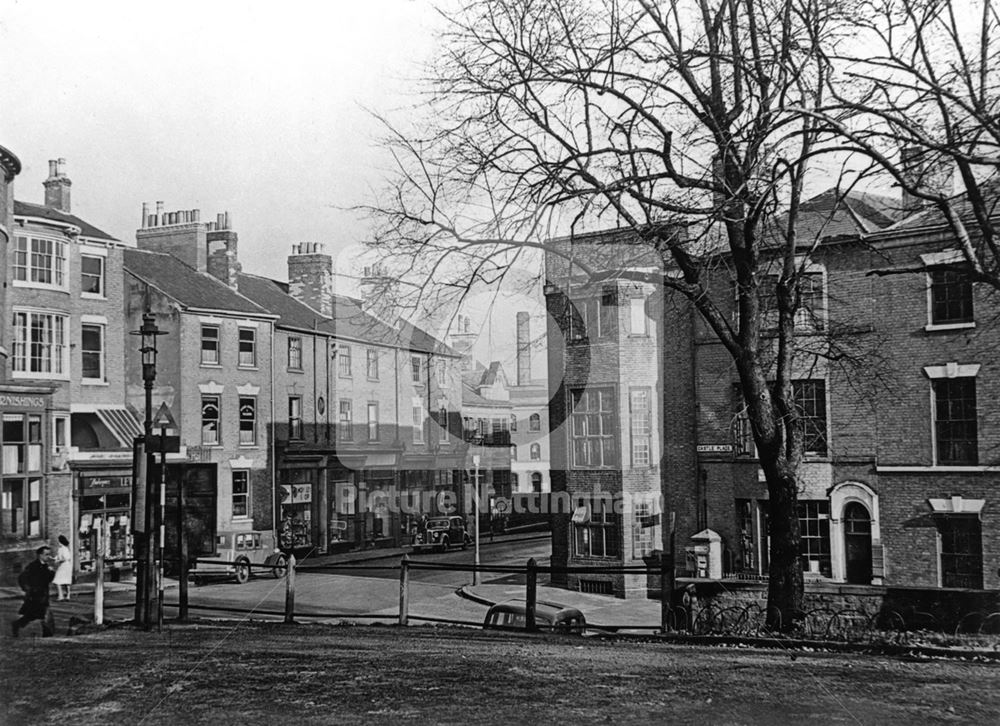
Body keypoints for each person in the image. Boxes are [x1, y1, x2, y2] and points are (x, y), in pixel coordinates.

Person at [11, 546, 56, 638]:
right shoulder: (32, 566)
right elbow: (22, 578)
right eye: (46, 554)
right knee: (41, 614)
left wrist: (51, 572)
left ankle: (17, 625)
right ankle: (47, 635)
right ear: (40, 555)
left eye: (49, 554)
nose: (48, 557)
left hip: (43, 595)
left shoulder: (46, 566)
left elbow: (47, 579)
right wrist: (28, 589)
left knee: (36, 615)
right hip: (34, 596)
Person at [53, 534, 72, 600]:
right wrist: (54, 559)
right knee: (58, 581)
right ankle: (61, 596)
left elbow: (67, 558)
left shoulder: (65, 549)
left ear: (61, 541)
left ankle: (68, 595)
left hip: (66, 566)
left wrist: (58, 561)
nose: (58, 543)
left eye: (58, 541)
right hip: (62, 566)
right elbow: (57, 557)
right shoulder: (60, 549)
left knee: (66, 581)